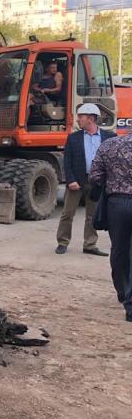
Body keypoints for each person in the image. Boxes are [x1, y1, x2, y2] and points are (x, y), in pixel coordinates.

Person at [55, 103, 115, 256]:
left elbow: (113, 160)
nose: (78, 120)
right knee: (67, 214)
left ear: (91, 119)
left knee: (92, 215)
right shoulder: (73, 138)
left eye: (81, 117)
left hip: (97, 182)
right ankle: (62, 242)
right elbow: (67, 161)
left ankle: (90, 244)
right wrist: (71, 180)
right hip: (77, 181)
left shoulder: (109, 137)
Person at [89, 127, 132, 321]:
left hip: (117, 203)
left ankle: (123, 292)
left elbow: (95, 176)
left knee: (119, 250)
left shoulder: (110, 144)